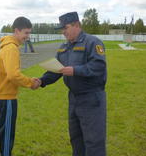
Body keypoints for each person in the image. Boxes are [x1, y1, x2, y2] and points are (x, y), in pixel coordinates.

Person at [39, 12, 107, 156]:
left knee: (94, 142)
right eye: (62, 29)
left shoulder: (93, 42)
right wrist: (41, 81)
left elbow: (98, 66)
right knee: (76, 140)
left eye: (66, 28)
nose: (63, 32)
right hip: (74, 98)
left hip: (91, 98)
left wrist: (75, 70)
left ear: (77, 25)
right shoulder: (64, 47)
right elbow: (57, 69)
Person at [0, 17, 41, 156]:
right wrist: (31, 83)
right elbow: (13, 75)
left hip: (3, 93)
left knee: (1, 126)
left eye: (29, 33)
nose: (28, 36)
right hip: (6, 95)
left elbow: (11, 73)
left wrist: (29, 80)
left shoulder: (9, 46)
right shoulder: (11, 48)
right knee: (7, 129)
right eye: (26, 33)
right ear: (16, 31)